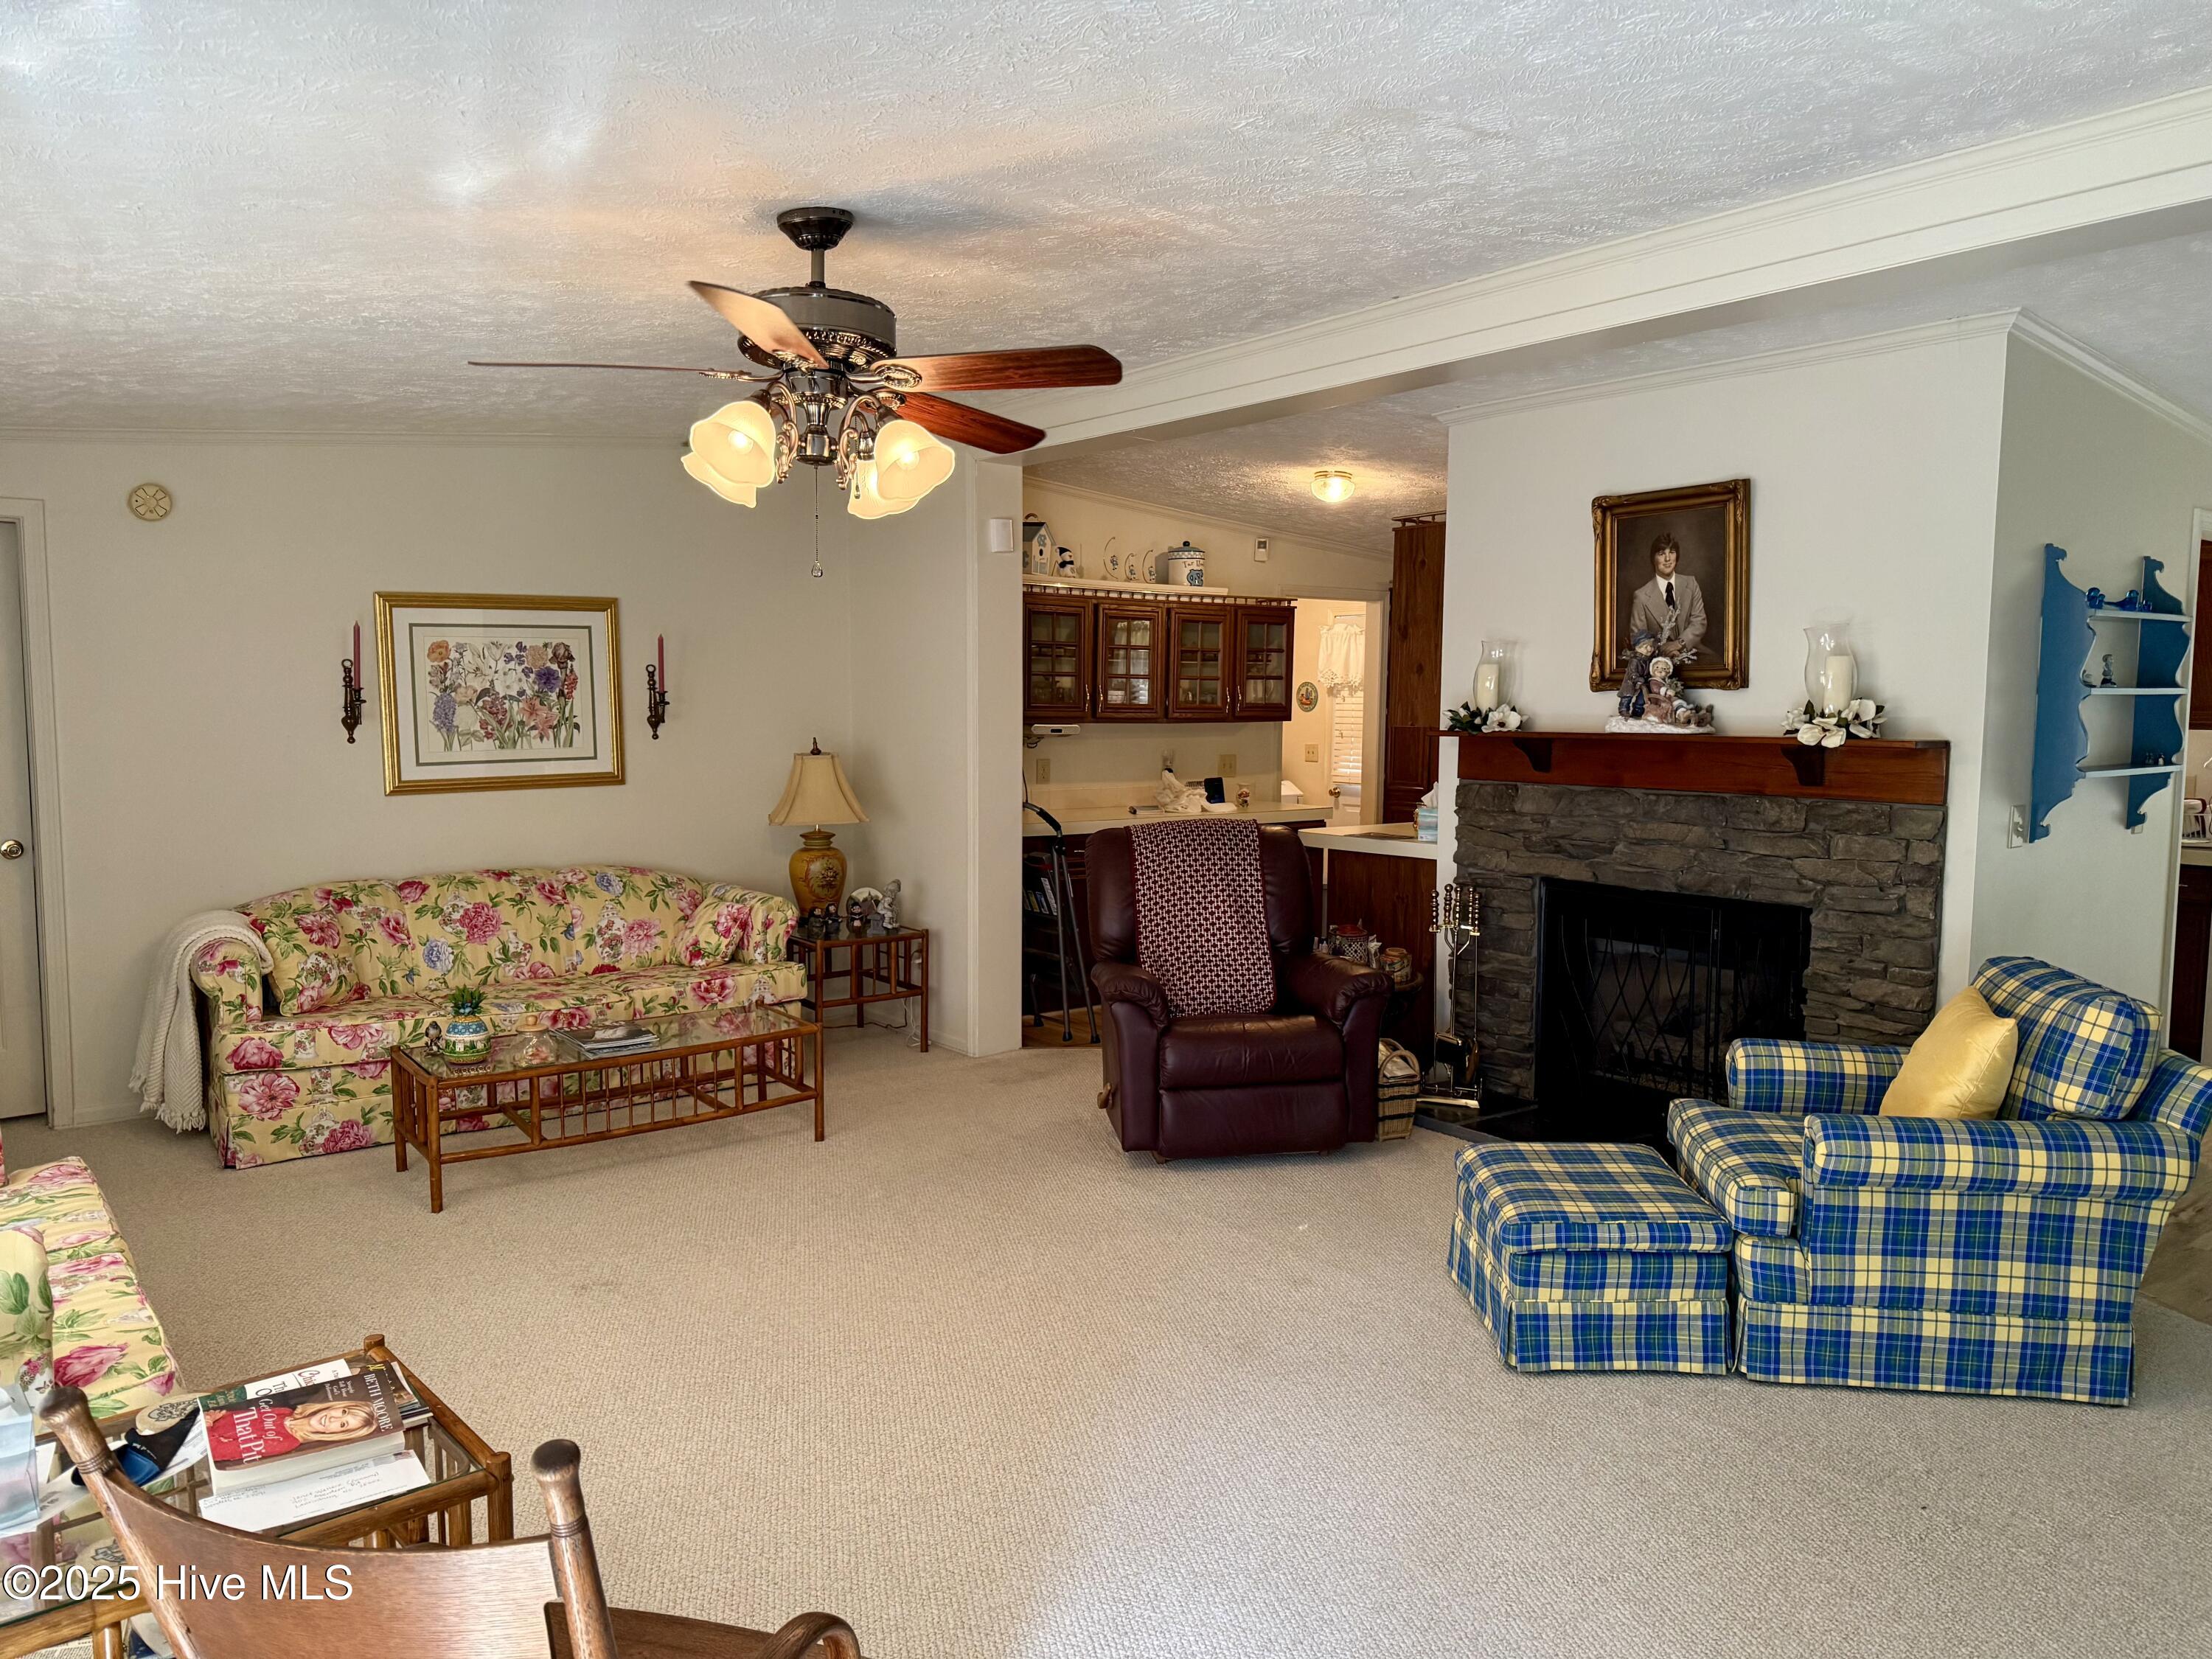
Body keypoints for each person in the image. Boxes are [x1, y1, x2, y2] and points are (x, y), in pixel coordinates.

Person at [1627, 532, 1707, 655]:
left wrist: (1679, 644)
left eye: (1672, 552)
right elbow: (1639, 638)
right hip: (1658, 663)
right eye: (1661, 554)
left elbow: (1699, 622)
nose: (1668, 559)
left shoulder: (1691, 583)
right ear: (1653, 559)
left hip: (1694, 652)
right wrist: (1663, 652)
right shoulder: (1641, 596)